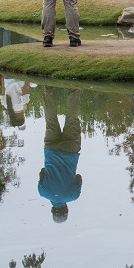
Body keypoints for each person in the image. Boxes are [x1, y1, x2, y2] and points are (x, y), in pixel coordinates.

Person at [38, 87, 83, 222]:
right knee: (50, 119)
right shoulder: (43, 192)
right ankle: (48, 88)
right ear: (52, 209)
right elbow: (42, 172)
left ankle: (74, 87)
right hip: (51, 149)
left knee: (72, 119)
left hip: (70, 150)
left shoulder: (73, 196)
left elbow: (79, 177)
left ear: (66, 209)